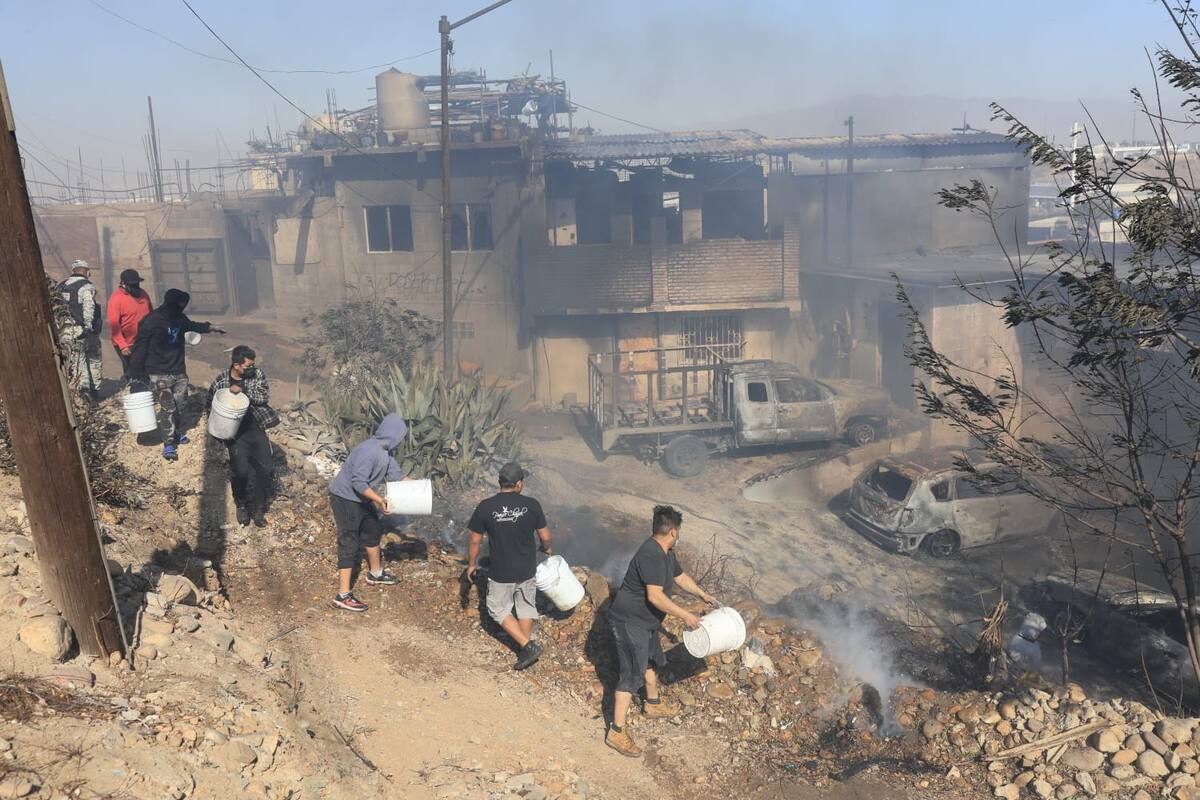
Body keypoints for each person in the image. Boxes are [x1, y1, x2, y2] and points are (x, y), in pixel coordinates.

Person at [605, 505, 717, 757]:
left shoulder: (666, 553)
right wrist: (686, 615)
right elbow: (655, 597)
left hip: (646, 622)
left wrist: (702, 594)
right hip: (629, 622)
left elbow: (680, 577)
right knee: (631, 675)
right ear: (674, 531)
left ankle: (652, 704)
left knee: (652, 660)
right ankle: (616, 731)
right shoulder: (651, 555)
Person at [466, 462, 553, 671]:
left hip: (501, 570)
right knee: (525, 606)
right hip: (526, 569)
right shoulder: (532, 505)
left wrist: (471, 564)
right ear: (519, 484)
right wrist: (547, 549)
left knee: (497, 609)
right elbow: (545, 537)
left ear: (500, 482)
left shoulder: (486, 506)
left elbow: (475, 541)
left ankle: (526, 647)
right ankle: (525, 647)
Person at [128, 288, 224, 461]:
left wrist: (211, 327)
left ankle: (174, 432)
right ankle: (168, 444)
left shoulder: (179, 317)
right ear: (171, 303)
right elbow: (140, 346)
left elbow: (193, 325)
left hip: (179, 371)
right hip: (158, 373)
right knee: (168, 408)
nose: (182, 308)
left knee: (180, 406)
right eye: (180, 304)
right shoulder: (152, 321)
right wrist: (135, 372)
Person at [328, 414, 407, 612]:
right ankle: (343, 595)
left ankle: (375, 573)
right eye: (400, 436)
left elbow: (399, 477)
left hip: (362, 499)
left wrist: (422, 489)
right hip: (345, 498)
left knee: (373, 531)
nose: (401, 440)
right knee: (349, 542)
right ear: (393, 434)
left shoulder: (385, 453)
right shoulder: (369, 451)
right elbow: (358, 482)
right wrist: (380, 500)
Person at [207, 346, 279, 528]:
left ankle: (259, 508)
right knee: (241, 472)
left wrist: (242, 389)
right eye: (248, 366)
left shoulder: (257, 375)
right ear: (236, 365)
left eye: (253, 365)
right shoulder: (221, 381)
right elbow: (211, 404)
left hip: (255, 428)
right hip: (234, 434)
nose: (251, 369)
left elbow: (263, 396)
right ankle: (241, 504)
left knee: (267, 469)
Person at [57, 259, 103, 402]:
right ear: (86, 271)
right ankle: (88, 394)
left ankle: (77, 393)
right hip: (80, 330)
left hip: (63, 330)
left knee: (72, 362)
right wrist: (88, 326)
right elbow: (89, 308)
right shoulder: (87, 286)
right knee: (88, 360)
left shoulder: (61, 286)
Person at [107, 269, 153, 381]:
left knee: (147, 370)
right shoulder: (116, 299)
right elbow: (114, 326)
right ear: (123, 284)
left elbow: (152, 315)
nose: (136, 287)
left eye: (137, 283)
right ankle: (131, 390)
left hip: (144, 340)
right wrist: (123, 345)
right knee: (132, 373)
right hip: (127, 343)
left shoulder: (143, 294)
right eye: (132, 285)